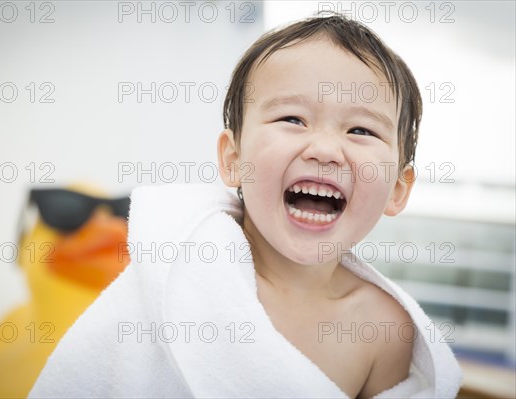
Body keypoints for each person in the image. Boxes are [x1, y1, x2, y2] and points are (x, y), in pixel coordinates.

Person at [29, 13, 462, 398]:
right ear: (233, 161)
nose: (326, 149)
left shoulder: (383, 330)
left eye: (362, 130)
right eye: (292, 119)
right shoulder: (176, 279)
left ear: (397, 189)